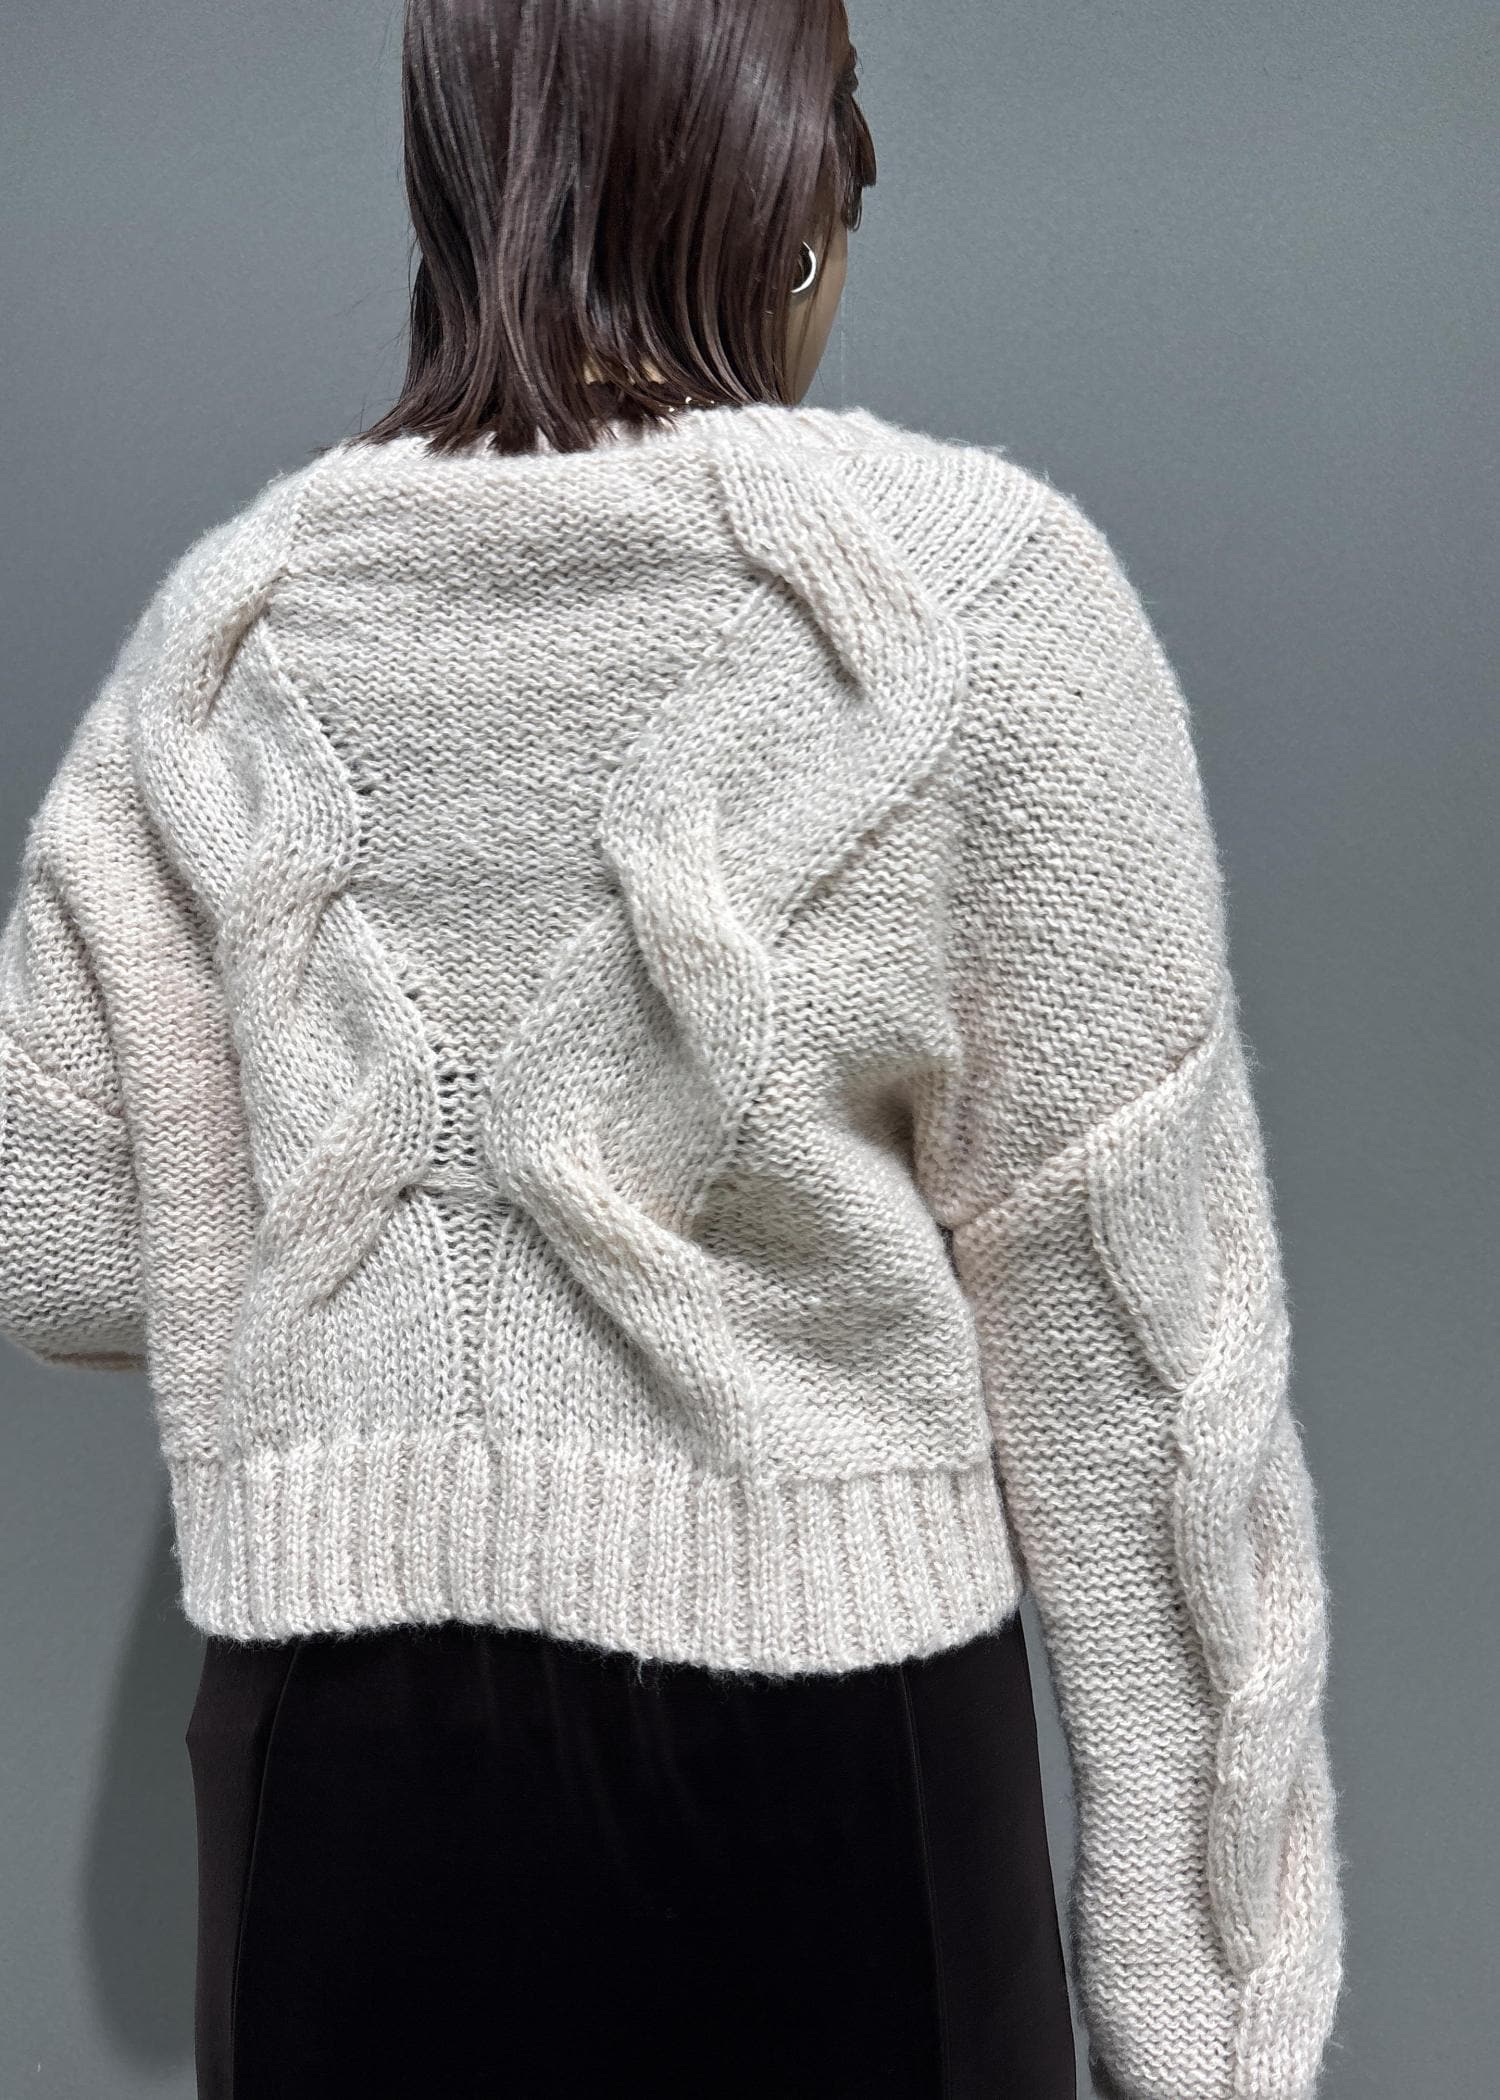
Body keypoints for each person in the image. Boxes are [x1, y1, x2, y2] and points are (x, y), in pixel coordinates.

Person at [0, 2, 1346, 2096]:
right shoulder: (977, 603)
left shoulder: (228, 633)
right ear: (792, 196)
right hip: (830, 1784)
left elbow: (62, 1250)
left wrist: (382, 1279)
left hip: (337, 1788)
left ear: (455, 188)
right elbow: (1131, 1370)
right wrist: (1220, 2034)